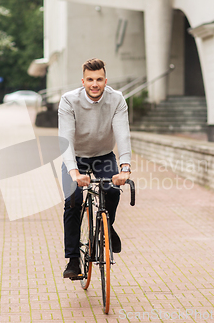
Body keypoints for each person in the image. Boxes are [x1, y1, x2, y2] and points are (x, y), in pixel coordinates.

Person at [58, 58, 132, 279]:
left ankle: (106, 228)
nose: (95, 84)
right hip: (75, 158)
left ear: (105, 80)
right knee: (73, 202)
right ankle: (73, 260)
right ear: (83, 81)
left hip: (103, 156)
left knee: (111, 191)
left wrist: (125, 168)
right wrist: (73, 172)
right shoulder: (69, 100)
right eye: (90, 79)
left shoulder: (117, 99)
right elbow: (66, 139)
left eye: (99, 79)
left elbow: (123, 134)